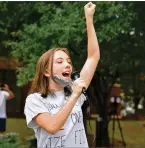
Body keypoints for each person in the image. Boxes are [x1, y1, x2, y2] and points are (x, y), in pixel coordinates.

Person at [24, 2, 100, 148]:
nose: (67, 65)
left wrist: (89, 19)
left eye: (68, 61)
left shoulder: (73, 90)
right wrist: (75, 96)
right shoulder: (34, 100)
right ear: (46, 72)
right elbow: (52, 126)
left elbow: (93, 56)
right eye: (59, 61)